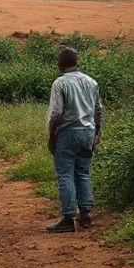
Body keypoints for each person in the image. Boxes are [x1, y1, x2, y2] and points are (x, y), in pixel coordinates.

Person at [46, 47, 103, 233]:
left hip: (68, 133)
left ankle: (68, 218)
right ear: (76, 62)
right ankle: (85, 215)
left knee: (65, 174)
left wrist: (51, 136)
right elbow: (98, 110)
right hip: (88, 132)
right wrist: (96, 133)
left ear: (60, 64)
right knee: (83, 173)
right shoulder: (91, 82)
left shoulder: (60, 83)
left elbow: (56, 113)